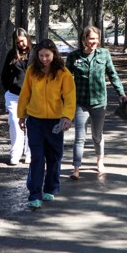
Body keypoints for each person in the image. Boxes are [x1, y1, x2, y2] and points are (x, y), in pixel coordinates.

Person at [17, 39, 75, 209]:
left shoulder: (63, 73)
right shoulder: (31, 71)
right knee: (37, 157)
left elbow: (70, 97)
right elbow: (25, 94)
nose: (44, 59)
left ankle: (51, 187)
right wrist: (21, 115)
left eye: (47, 55)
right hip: (35, 120)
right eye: (41, 55)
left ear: (54, 54)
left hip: (56, 122)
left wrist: (67, 117)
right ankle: (34, 194)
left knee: (54, 156)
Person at [67, 25, 127, 180]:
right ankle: (76, 168)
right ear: (84, 40)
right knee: (79, 137)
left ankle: (100, 161)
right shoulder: (74, 56)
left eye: (95, 38)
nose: (93, 41)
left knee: (97, 135)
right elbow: (65, 79)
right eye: (90, 38)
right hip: (80, 102)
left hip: (99, 102)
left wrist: (121, 93)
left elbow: (113, 75)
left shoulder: (104, 54)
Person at [1, 28, 32, 165]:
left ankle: (30, 153)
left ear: (27, 38)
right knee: (14, 122)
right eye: (18, 42)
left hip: (33, 95)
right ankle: (15, 153)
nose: (21, 44)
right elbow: (4, 75)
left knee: (31, 124)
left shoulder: (36, 53)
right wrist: (10, 87)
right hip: (14, 95)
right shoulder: (12, 55)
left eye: (23, 41)